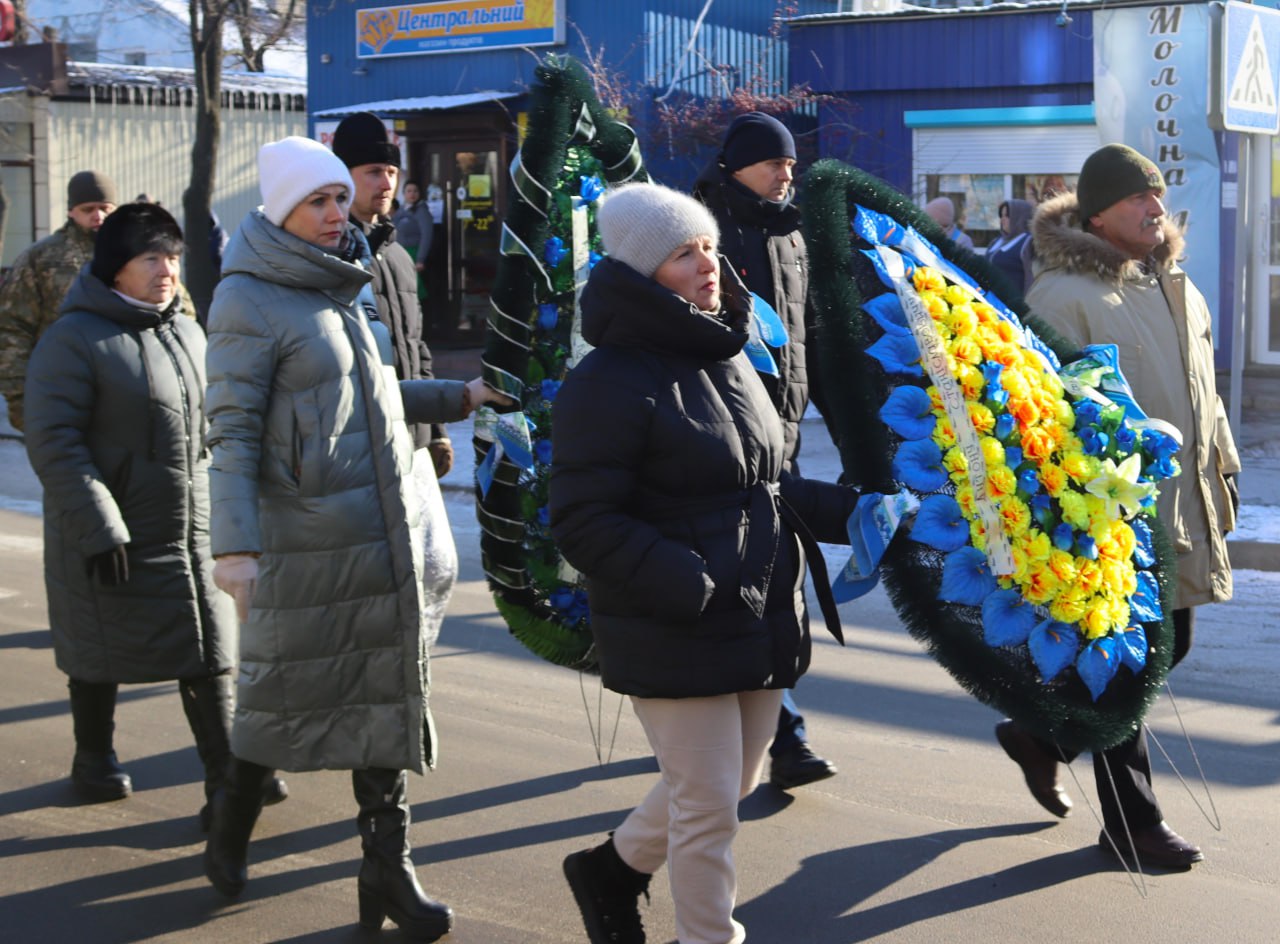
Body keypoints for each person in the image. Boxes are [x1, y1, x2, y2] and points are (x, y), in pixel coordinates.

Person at [200, 136, 507, 941]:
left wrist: (457, 394)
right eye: (320, 202)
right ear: (281, 211)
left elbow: (370, 392)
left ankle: (387, 870)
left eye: (342, 199)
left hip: (376, 532)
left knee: (383, 701)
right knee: (278, 702)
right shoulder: (248, 299)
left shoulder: (341, 286)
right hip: (301, 542)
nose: (339, 214)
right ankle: (231, 820)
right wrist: (234, 547)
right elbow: (229, 433)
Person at [551, 183, 857, 944]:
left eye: (710, 247)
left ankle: (612, 870)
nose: (707, 265)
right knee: (709, 806)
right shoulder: (608, 380)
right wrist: (686, 582)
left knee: (732, 782)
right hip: (677, 618)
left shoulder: (725, 353)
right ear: (642, 270)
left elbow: (764, 485)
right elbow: (582, 520)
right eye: (684, 253)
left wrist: (858, 514)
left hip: (754, 611)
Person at [997, 143, 1240, 870]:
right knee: (1125, 666)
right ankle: (1132, 824)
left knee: (1174, 645)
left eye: (1160, 196)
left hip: (1184, 507)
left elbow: (1205, 397)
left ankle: (1044, 736)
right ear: (1098, 213)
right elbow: (1041, 418)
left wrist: (1222, 471)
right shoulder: (1063, 296)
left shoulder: (1177, 286)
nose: (1156, 209)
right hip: (1112, 520)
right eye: (1140, 198)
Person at [21, 202, 285, 825]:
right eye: (151, 258)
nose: (167, 270)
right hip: (108, 531)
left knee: (209, 650)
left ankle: (229, 778)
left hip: (190, 527)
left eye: (171, 257)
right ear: (116, 267)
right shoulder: (72, 340)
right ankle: (93, 758)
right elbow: (53, 440)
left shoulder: (187, 331)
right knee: (96, 650)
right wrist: (97, 524)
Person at [692, 111, 839, 792]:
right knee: (746, 587)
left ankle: (779, 727)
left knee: (783, 584)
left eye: (790, 163)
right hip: (719, 441)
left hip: (783, 441)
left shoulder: (791, 237)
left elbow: (807, 339)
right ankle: (781, 733)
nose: (786, 173)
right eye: (772, 162)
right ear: (736, 166)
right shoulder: (703, 233)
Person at [332, 111, 458, 653]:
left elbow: (416, 350)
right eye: (371, 171)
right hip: (359, 450)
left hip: (411, 440)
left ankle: (414, 670)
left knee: (435, 567)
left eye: (389, 171)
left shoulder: (399, 256)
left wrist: (435, 434)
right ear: (341, 176)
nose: (384, 182)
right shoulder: (331, 254)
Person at [0, 171, 117, 430]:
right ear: (71, 211)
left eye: (105, 208)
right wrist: (21, 400)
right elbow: (11, 329)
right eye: (88, 209)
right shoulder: (41, 259)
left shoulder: (135, 254)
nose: (98, 216)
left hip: (123, 397)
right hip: (62, 394)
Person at [393, 179, 434, 301]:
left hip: (414, 254)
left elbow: (427, 235)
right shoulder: (401, 210)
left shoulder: (422, 211)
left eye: (415, 191)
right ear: (403, 193)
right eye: (409, 191)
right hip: (400, 254)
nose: (412, 194)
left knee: (414, 290)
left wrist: (420, 259)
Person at [985, 198, 1034, 296]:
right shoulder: (996, 241)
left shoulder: (1028, 242)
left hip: (1012, 304)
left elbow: (1030, 278)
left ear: (1019, 217)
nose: (1002, 219)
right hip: (990, 300)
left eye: (1007, 216)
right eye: (1001, 215)